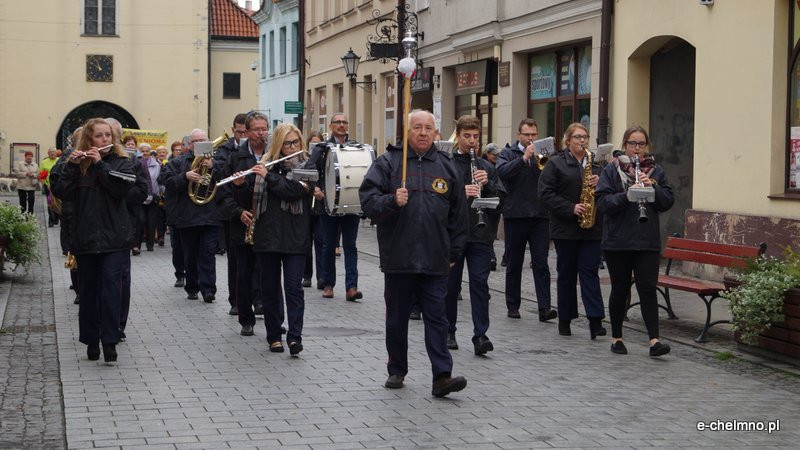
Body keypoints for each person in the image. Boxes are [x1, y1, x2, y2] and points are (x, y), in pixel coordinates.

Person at [359, 109, 469, 398]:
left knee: (438, 318)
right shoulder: (389, 163)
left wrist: (454, 250)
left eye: (428, 128)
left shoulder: (446, 167)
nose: (422, 133)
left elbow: (459, 215)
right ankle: (397, 369)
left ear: (436, 133)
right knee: (397, 318)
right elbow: (368, 203)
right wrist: (391, 200)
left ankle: (442, 376)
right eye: (417, 127)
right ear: (407, 131)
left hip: (436, 258)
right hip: (399, 256)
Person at [51, 118, 136, 363]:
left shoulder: (122, 161)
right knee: (88, 292)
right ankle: (90, 340)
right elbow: (61, 193)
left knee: (111, 290)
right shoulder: (77, 164)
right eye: (99, 136)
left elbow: (121, 190)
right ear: (89, 139)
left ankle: (110, 341)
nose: (105, 140)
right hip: (86, 237)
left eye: (108, 135)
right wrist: (72, 166)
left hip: (115, 238)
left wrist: (100, 166)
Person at [596, 125, 674, 357]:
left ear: (647, 146)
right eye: (632, 144)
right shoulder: (612, 171)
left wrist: (654, 188)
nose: (637, 149)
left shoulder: (656, 172)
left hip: (646, 240)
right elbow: (603, 203)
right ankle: (617, 337)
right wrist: (626, 196)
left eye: (641, 144)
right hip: (618, 240)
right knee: (620, 289)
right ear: (625, 146)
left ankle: (654, 341)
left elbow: (667, 201)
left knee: (648, 289)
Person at [538, 123, 606, 339]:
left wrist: (601, 183)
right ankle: (565, 320)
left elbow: (607, 194)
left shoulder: (596, 166)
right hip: (565, 229)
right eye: (577, 137)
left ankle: (595, 322)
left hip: (591, 228)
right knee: (566, 275)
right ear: (568, 141)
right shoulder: (556, 163)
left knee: (590, 273)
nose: (582, 141)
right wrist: (570, 208)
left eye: (585, 137)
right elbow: (545, 193)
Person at [251, 123, 314, 355]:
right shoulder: (266, 164)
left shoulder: (307, 165)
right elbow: (250, 194)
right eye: (287, 143)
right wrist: (240, 184)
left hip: (296, 236)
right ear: (278, 144)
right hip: (267, 236)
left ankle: (295, 337)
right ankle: (274, 335)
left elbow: (294, 190)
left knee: (293, 288)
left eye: (296, 142)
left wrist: (267, 177)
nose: (292, 147)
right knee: (269, 288)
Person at [444, 116, 503, 355]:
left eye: (476, 137)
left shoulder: (486, 166)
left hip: (480, 233)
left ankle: (481, 335)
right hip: (454, 234)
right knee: (451, 285)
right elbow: (437, 197)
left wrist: (487, 184)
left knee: (480, 284)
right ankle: (448, 330)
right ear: (458, 136)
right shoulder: (446, 163)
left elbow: (501, 201)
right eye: (467, 136)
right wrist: (461, 191)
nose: (472, 142)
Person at [495, 118, 556, 321]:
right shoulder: (508, 153)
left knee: (541, 263)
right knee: (514, 263)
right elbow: (501, 173)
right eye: (527, 134)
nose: (531, 138)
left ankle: (544, 307)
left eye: (533, 134)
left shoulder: (544, 153)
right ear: (518, 135)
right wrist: (523, 159)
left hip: (540, 215)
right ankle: (513, 305)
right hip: (516, 214)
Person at [221, 111, 271, 335]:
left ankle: (268, 312)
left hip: (269, 222)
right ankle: (245, 318)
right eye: (257, 129)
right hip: (243, 222)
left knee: (267, 271)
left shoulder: (274, 154)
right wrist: (238, 211)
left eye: (264, 128)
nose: (261, 133)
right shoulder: (235, 157)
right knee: (244, 272)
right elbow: (223, 194)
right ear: (247, 133)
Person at [160, 128, 220, 302]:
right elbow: (167, 182)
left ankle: (209, 290)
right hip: (187, 216)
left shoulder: (216, 161)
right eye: (196, 141)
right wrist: (185, 176)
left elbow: (227, 179)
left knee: (208, 253)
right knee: (190, 254)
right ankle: (192, 286)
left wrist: (214, 167)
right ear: (189, 144)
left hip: (210, 215)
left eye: (203, 140)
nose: (200, 144)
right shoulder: (178, 162)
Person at [313, 113, 363, 301]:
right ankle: (328, 284)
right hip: (328, 203)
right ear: (331, 126)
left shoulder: (355, 147)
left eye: (344, 122)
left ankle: (352, 287)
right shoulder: (321, 148)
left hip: (350, 202)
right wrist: (316, 189)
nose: (342, 125)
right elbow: (311, 171)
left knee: (350, 245)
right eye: (338, 122)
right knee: (329, 246)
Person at [214, 113, 248, 314]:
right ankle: (235, 300)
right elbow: (219, 173)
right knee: (235, 259)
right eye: (239, 131)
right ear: (233, 129)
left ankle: (256, 298)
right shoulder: (225, 149)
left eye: (245, 131)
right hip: (231, 211)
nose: (242, 135)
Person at [305, 131, 325, 289]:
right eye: (313, 144)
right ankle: (307, 275)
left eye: (318, 144)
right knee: (306, 242)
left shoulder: (326, 158)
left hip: (320, 206)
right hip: (307, 206)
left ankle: (321, 276)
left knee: (320, 241)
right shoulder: (305, 158)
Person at [482, 142, 503, 271]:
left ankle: (490, 255)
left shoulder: (499, 165)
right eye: (494, 154)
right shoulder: (482, 165)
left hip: (495, 205)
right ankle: (490, 256)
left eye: (498, 154)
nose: (496, 156)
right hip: (484, 204)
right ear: (487, 154)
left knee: (492, 233)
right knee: (487, 233)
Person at [137, 144, 162, 252]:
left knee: (151, 222)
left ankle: (150, 245)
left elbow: (158, 180)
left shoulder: (156, 165)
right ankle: (137, 245)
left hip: (153, 196)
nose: (145, 153)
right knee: (140, 220)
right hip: (140, 196)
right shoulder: (136, 163)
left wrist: (159, 192)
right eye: (143, 151)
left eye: (147, 151)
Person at [40, 147, 61, 226]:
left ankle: (58, 218)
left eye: (54, 152)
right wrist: (45, 184)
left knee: (59, 203)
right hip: (48, 186)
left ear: (56, 153)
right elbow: (42, 176)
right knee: (50, 203)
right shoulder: (44, 162)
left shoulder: (59, 161)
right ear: (48, 153)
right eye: (50, 152)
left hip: (59, 186)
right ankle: (51, 221)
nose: (52, 153)